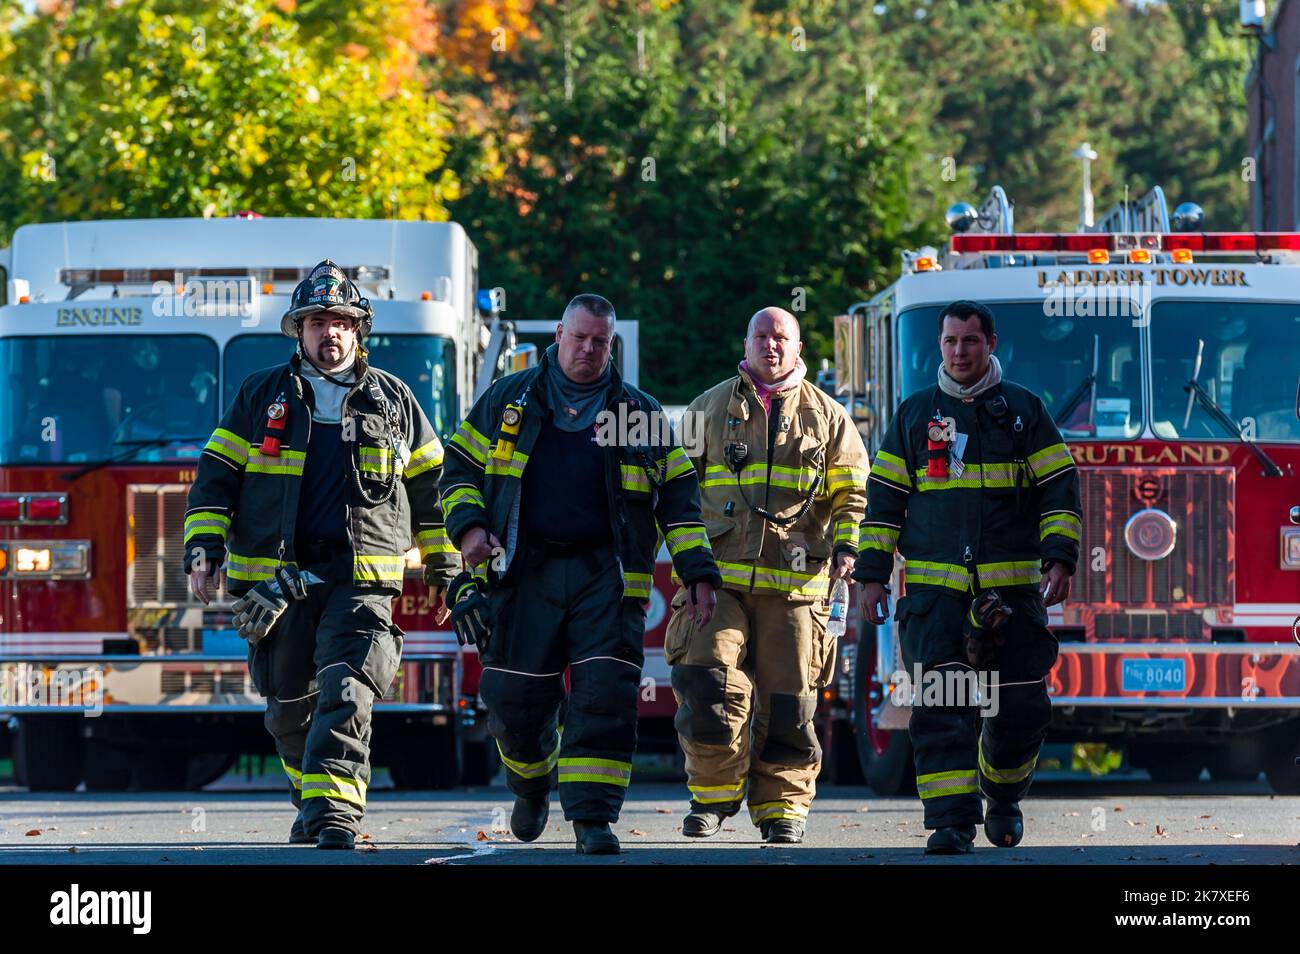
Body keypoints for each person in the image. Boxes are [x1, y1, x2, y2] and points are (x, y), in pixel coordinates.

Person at [183, 259, 457, 850]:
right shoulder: (261, 397)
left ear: (358, 331)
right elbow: (215, 479)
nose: (328, 332)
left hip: (361, 580)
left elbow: (432, 492)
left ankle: (336, 812)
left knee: (348, 685)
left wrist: (445, 567)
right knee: (287, 707)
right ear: (299, 331)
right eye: (315, 321)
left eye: (340, 321)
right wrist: (204, 546)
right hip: (278, 582)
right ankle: (312, 799)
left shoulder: (397, 403)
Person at [440, 293, 721, 855]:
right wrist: (470, 529)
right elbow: (457, 471)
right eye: (580, 338)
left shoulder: (638, 415)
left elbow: (681, 501)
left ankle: (593, 819)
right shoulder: (507, 400)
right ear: (558, 339)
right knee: (513, 699)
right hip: (523, 571)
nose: (589, 350)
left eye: (600, 341)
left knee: (605, 696)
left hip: (607, 576)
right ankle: (531, 783)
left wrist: (696, 570)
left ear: (610, 344)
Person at [854, 299, 1082, 855]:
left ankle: (1002, 796)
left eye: (971, 341)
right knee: (940, 709)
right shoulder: (914, 416)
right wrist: (871, 576)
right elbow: (883, 504)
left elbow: (1059, 489)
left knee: (1022, 707)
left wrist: (1060, 557)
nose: (960, 352)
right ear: (940, 346)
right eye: (951, 342)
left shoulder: (1026, 411)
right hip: (935, 598)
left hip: (1013, 595)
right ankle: (951, 823)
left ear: (991, 344)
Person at [665, 307, 869, 844]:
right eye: (762, 336)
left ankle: (782, 810)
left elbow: (853, 495)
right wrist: (687, 566)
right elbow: (677, 494)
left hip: (797, 590)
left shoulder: (830, 417)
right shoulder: (708, 408)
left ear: (798, 348)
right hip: (717, 584)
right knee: (705, 683)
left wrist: (849, 548)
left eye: (782, 338)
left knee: (789, 706)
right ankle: (711, 799)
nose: (771, 346)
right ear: (747, 342)